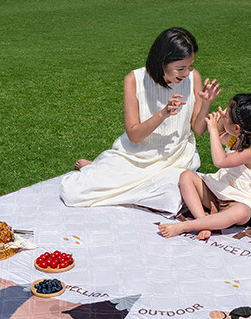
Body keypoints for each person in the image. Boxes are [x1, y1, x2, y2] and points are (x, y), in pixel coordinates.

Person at [60, 27, 220, 215]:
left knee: (171, 198)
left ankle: (102, 170)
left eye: (190, 66)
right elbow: (134, 136)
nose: (186, 73)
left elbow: (199, 130)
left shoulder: (193, 78)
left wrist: (206, 103)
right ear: (162, 61)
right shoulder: (134, 80)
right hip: (136, 156)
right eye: (180, 68)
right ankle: (98, 169)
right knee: (75, 193)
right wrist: (163, 114)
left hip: (175, 158)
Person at [158, 93, 251, 240]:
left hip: (242, 201)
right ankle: (203, 221)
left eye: (226, 115)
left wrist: (213, 129)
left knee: (241, 212)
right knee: (186, 176)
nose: (223, 114)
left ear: (237, 128)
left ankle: (187, 226)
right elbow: (221, 136)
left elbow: (220, 161)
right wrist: (221, 122)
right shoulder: (235, 138)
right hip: (221, 192)